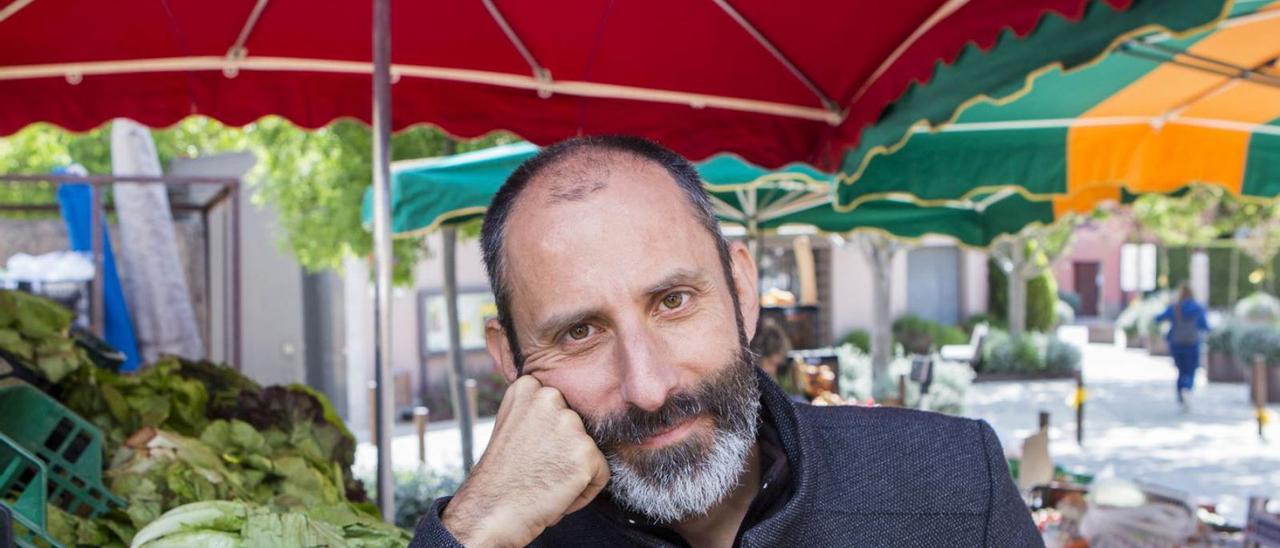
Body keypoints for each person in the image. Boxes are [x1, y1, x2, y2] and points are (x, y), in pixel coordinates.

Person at [410, 136, 1040, 547]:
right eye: (580, 333)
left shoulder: (955, 487)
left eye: (673, 302)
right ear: (507, 358)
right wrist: (471, 532)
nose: (650, 387)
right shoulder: (497, 539)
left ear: (741, 290)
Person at [1156, 283, 1210, 408]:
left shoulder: (1175, 307)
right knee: (1191, 370)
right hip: (1192, 342)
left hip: (1176, 343)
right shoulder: (1197, 308)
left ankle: (1181, 392)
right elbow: (1205, 326)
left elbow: (1158, 318)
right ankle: (1187, 388)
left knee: (1181, 370)